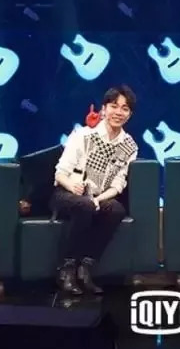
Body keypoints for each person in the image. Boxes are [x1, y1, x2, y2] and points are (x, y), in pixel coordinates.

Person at [50, 85, 138, 295]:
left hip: (96, 196)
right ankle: (66, 269)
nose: (118, 112)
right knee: (84, 206)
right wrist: (72, 186)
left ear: (130, 114)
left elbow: (118, 184)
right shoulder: (83, 135)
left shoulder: (129, 145)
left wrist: (99, 199)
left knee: (116, 209)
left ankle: (86, 267)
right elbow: (60, 173)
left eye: (125, 108)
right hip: (66, 193)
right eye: (114, 106)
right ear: (103, 109)